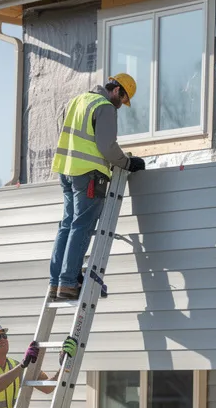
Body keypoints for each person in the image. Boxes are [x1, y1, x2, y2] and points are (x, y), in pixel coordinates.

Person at [49, 74, 148, 301]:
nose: (121, 105)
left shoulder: (79, 100)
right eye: (123, 100)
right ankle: (68, 282)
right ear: (118, 91)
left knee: (67, 225)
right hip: (88, 174)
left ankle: (56, 282)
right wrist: (127, 163)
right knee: (81, 226)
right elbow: (106, 146)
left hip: (66, 170)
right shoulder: (105, 107)